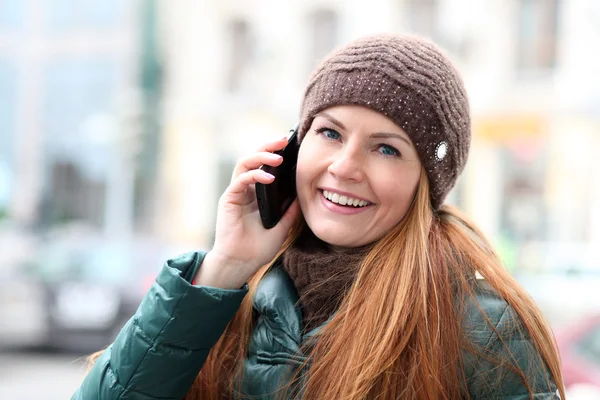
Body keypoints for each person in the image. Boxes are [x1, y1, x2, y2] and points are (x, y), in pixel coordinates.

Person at [73, 34, 565, 399]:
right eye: (330, 133)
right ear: (292, 145)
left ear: (425, 185)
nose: (345, 167)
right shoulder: (228, 299)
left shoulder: (481, 329)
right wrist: (224, 270)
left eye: (387, 150)